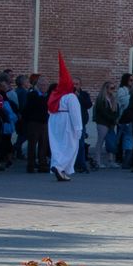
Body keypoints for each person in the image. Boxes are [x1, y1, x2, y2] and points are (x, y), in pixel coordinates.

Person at [46, 54, 83, 182]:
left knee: (57, 146)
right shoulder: (71, 97)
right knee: (70, 146)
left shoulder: (55, 95)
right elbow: (75, 113)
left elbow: (50, 110)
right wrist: (78, 128)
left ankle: (60, 168)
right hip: (67, 122)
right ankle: (59, 166)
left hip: (54, 122)